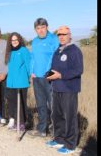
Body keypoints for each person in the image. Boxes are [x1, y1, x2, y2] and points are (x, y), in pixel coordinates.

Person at [45, 26, 83, 154]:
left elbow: (78, 70)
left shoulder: (74, 51)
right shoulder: (57, 51)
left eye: (64, 34)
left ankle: (70, 145)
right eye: (59, 34)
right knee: (57, 115)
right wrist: (49, 75)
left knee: (69, 117)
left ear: (69, 35)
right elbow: (55, 68)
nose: (61, 36)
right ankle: (59, 139)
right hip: (56, 88)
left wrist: (61, 75)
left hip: (69, 89)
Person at [28, 18, 59, 137]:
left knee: (52, 104)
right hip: (36, 77)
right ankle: (42, 129)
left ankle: (55, 131)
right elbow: (32, 58)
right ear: (35, 29)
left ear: (47, 27)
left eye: (43, 27)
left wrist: (48, 72)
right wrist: (32, 72)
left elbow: (55, 57)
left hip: (49, 77)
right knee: (40, 104)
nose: (41, 30)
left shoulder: (53, 39)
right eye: (38, 28)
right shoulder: (35, 41)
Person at [4, 32, 31, 132]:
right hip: (10, 81)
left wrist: (28, 77)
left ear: (19, 40)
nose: (14, 42)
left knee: (21, 103)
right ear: (10, 42)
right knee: (12, 102)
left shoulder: (24, 50)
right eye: (12, 40)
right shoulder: (9, 52)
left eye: (16, 40)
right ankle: (15, 120)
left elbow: (29, 65)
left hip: (21, 81)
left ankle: (22, 123)